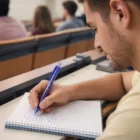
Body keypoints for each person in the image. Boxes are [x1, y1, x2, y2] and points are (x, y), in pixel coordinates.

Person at [29, 0, 140, 140]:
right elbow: (123, 81)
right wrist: (68, 92)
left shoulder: (134, 115)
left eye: (95, 28)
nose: (96, 44)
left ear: (121, 14)